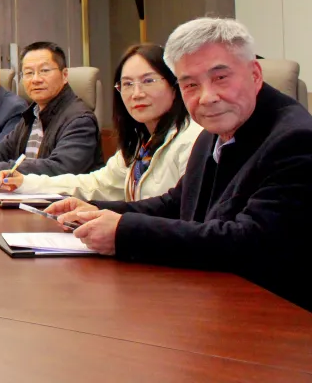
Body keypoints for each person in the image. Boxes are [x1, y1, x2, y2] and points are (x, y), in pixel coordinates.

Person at [52, 18, 312, 311]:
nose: (207, 97)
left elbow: (250, 242)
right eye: (190, 84)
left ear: (255, 74)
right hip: (214, 301)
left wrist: (125, 233)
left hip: (278, 316)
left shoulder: (296, 140)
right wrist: (97, 210)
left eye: (220, 78)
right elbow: (177, 203)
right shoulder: (214, 131)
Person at [0, 44, 200, 200]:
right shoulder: (141, 143)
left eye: (148, 81)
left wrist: (116, 220)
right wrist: (26, 183)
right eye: (127, 84)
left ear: (175, 84)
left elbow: (184, 218)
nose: (136, 93)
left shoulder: (192, 141)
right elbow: (97, 184)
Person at [0, 42, 102, 183]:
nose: (35, 79)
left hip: (64, 199)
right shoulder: (33, 113)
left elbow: (59, 168)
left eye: (44, 71)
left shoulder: (80, 119)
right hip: (29, 195)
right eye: (29, 73)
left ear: (64, 75)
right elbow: (3, 149)